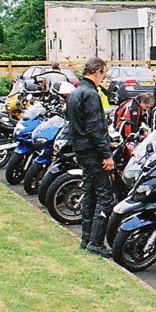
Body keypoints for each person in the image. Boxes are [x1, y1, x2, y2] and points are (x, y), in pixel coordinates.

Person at [66, 57, 116, 257]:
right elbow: (95, 129)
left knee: (90, 192)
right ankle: (95, 242)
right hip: (93, 152)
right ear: (97, 72)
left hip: (81, 149)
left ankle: (86, 238)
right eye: (103, 74)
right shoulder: (91, 94)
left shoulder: (75, 93)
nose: (103, 77)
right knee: (105, 197)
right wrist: (107, 154)